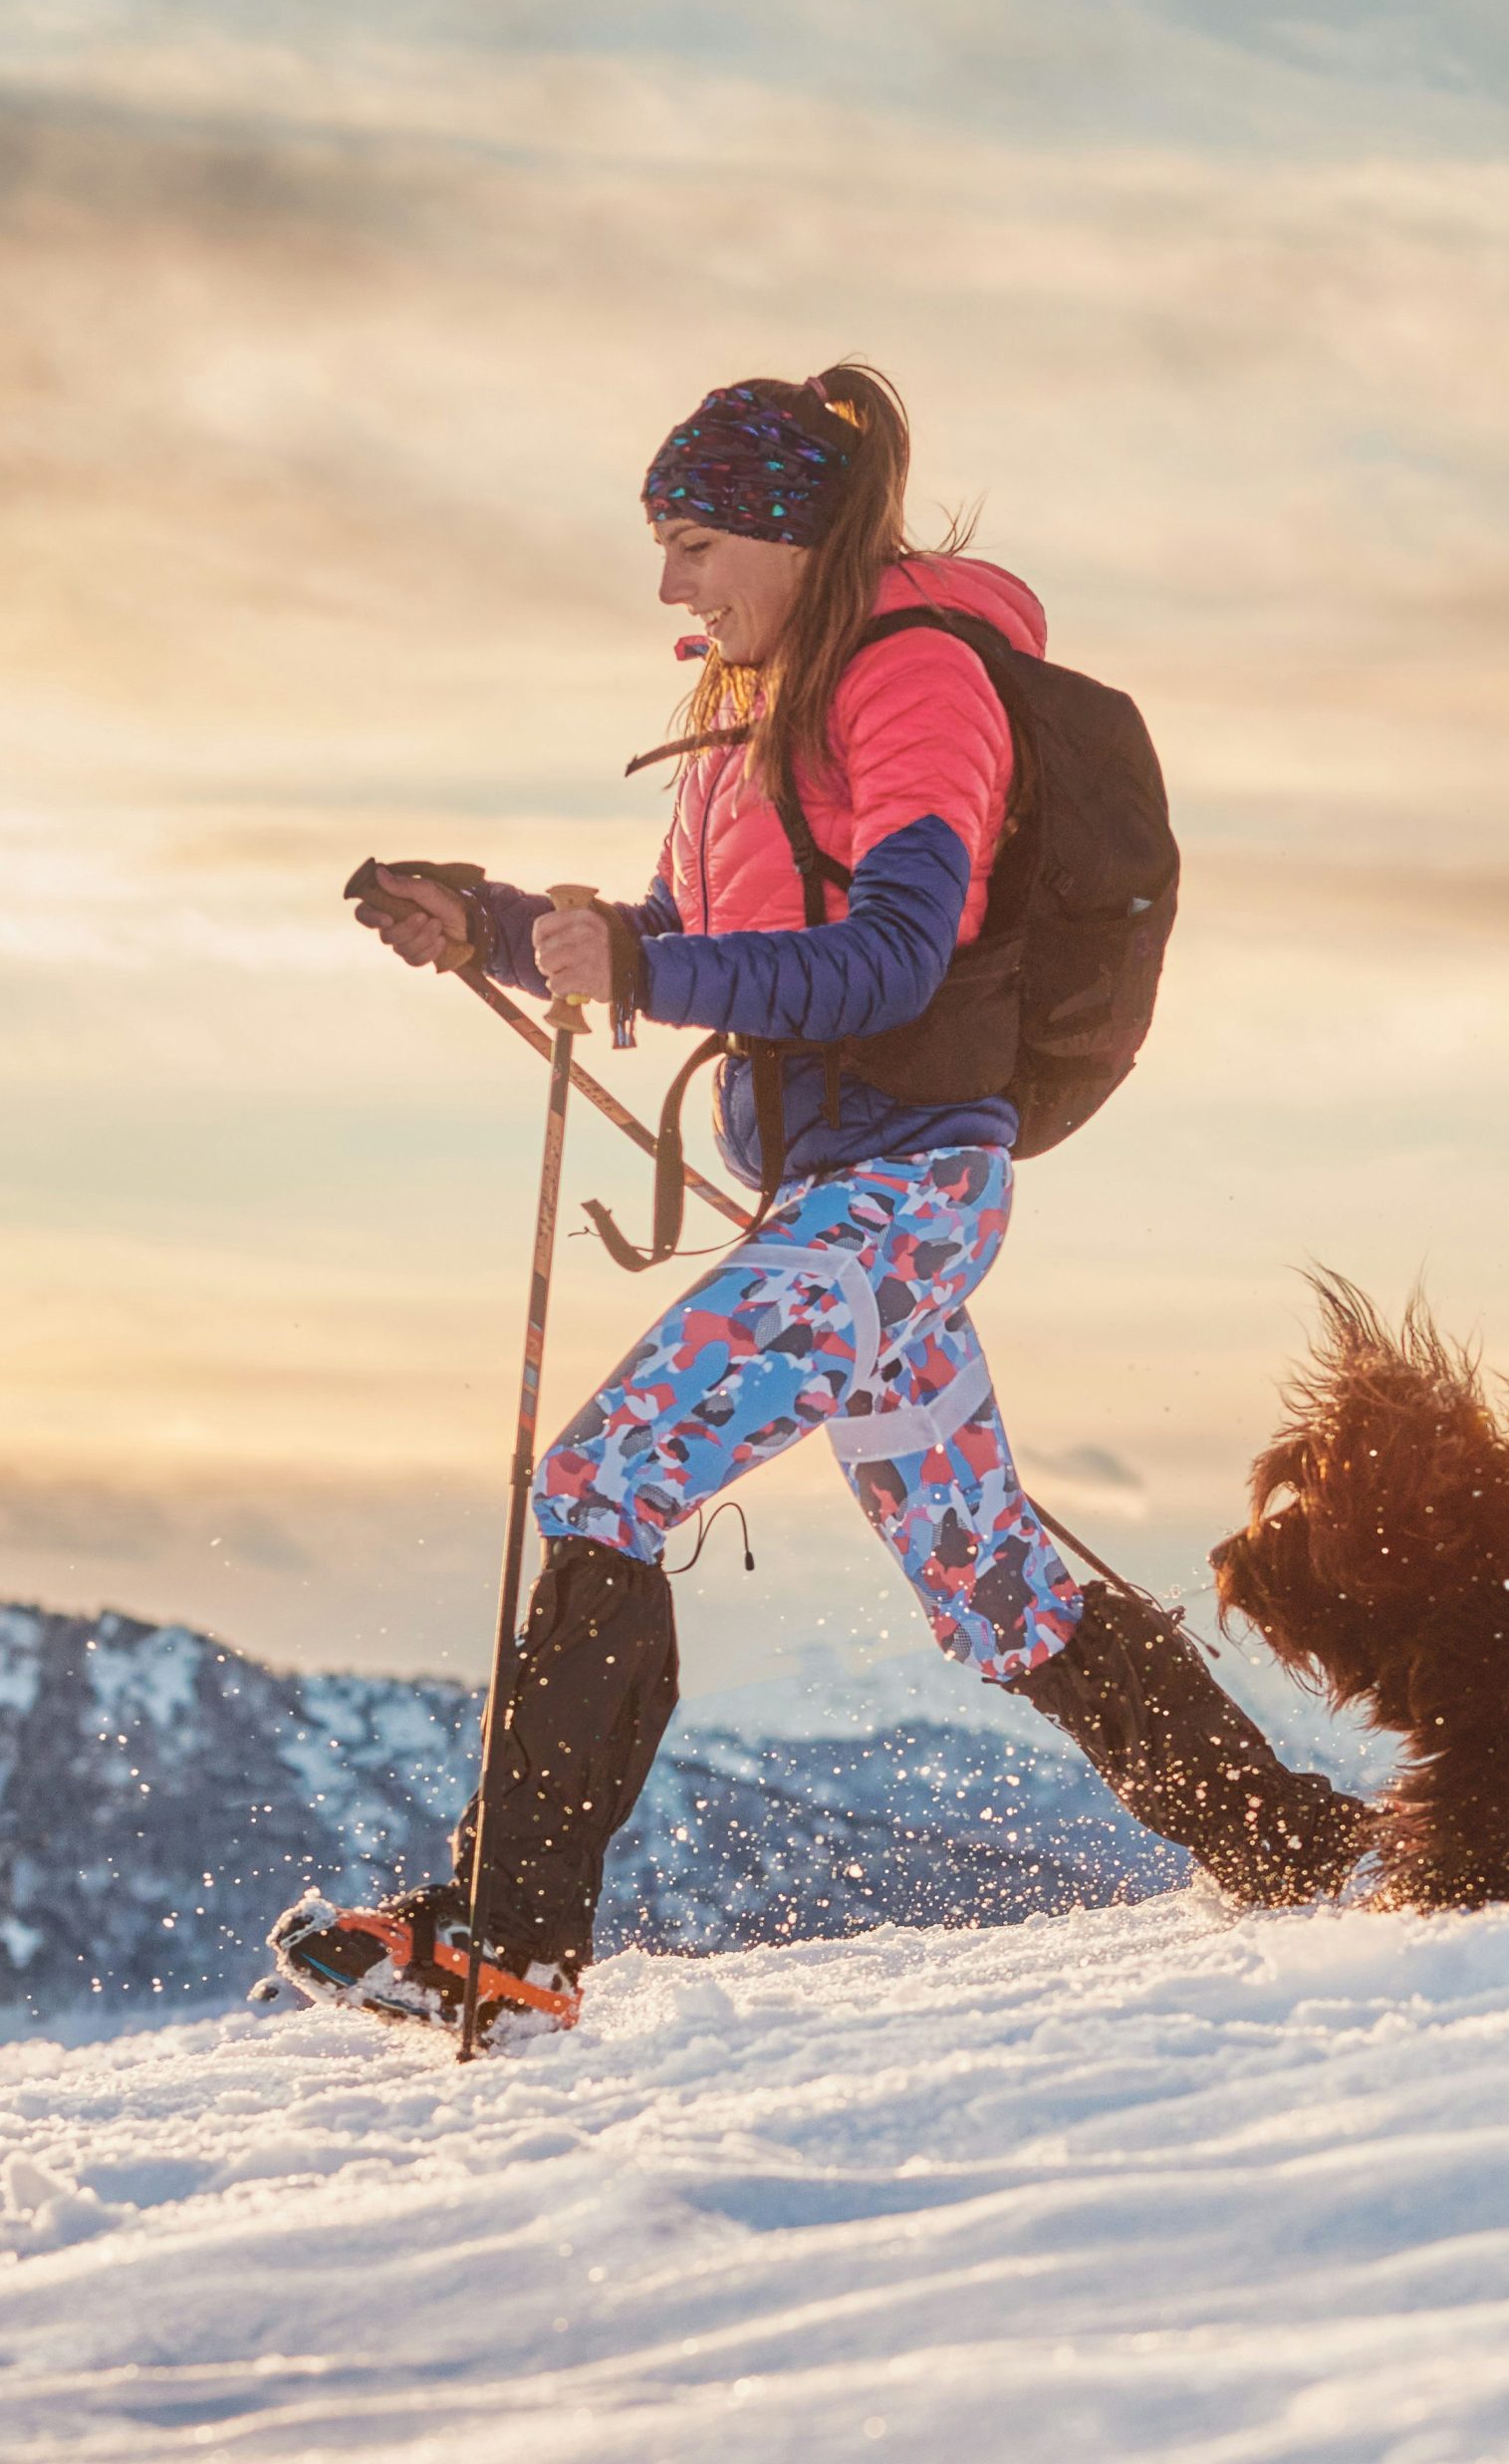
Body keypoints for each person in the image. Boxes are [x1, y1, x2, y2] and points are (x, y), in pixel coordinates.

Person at [272, 363, 1372, 2035]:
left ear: (796, 533)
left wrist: (636, 954)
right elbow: (674, 935)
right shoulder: (744, 707)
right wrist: (486, 924)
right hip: (830, 1201)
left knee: (608, 1472)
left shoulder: (919, 679)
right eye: (663, 542)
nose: (671, 583)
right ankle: (1298, 1847)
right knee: (990, 1580)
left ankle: (513, 1935)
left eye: (697, 540)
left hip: (907, 1190)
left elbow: (890, 955)